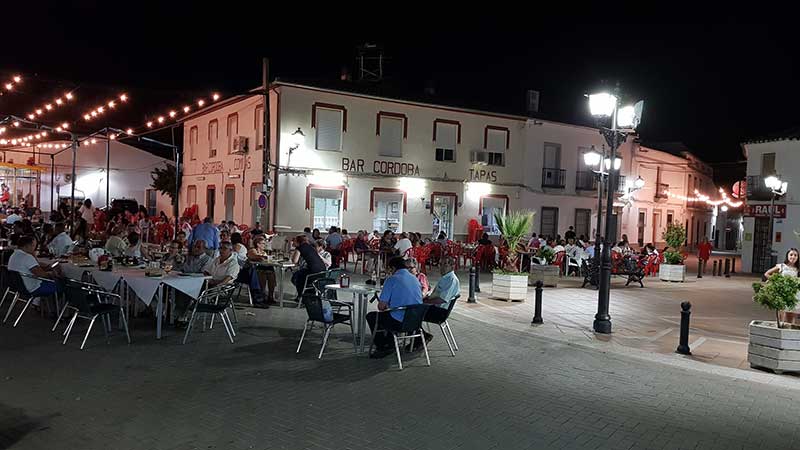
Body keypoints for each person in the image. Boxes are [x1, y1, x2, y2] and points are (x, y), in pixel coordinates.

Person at [366, 256, 423, 359]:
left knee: (372, 316)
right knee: (389, 315)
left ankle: (383, 346)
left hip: (399, 322)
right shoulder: (415, 279)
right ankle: (390, 342)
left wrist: (386, 304)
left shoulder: (391, 279)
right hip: (416, 320)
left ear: (392, 268)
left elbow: (381, 307)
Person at [9, 235, 62, 303]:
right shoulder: (27, 257)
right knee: (61, 285)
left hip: (17, 286)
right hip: (31, 288)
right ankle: (57, 310)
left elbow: (34, 268)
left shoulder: (14, 255)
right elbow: (41, 274)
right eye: (34, 245)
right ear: (28, 245)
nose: (35, 248)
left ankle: (40, 304)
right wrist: (51, 274)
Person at [423, 256, 460, 321]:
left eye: (445, 264)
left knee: (413, 310)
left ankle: (415, 329)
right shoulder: (445, 277)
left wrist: (426, 302)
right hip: (436, 308)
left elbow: (442, 299)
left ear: (452, 266)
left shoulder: (451, 280)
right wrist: (427, 298)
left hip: (440, 312)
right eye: (440, 264)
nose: (442, 267)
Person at [247, 235, 277, 305]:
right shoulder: (253, 250)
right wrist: (264, 257)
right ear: (258, 244)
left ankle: (270, 296)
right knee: (263, 272)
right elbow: (254, 256)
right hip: (251, 271)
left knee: (271, 272)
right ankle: (262, 295)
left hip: (262, 268)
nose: (265, 245)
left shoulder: (264, 252)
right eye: (263, 243)